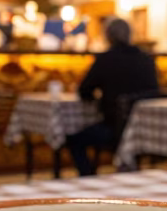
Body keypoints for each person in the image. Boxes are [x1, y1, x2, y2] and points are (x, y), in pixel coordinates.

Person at [66, 18, 159, 176]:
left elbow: (84, 91)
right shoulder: (147, 59)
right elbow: (154, 92)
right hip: (146, 130)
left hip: (114, 130)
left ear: (108, 37)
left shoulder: (105, 59)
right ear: (130, 35)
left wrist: (102, 98)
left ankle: (89, 178)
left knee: (73, 140)